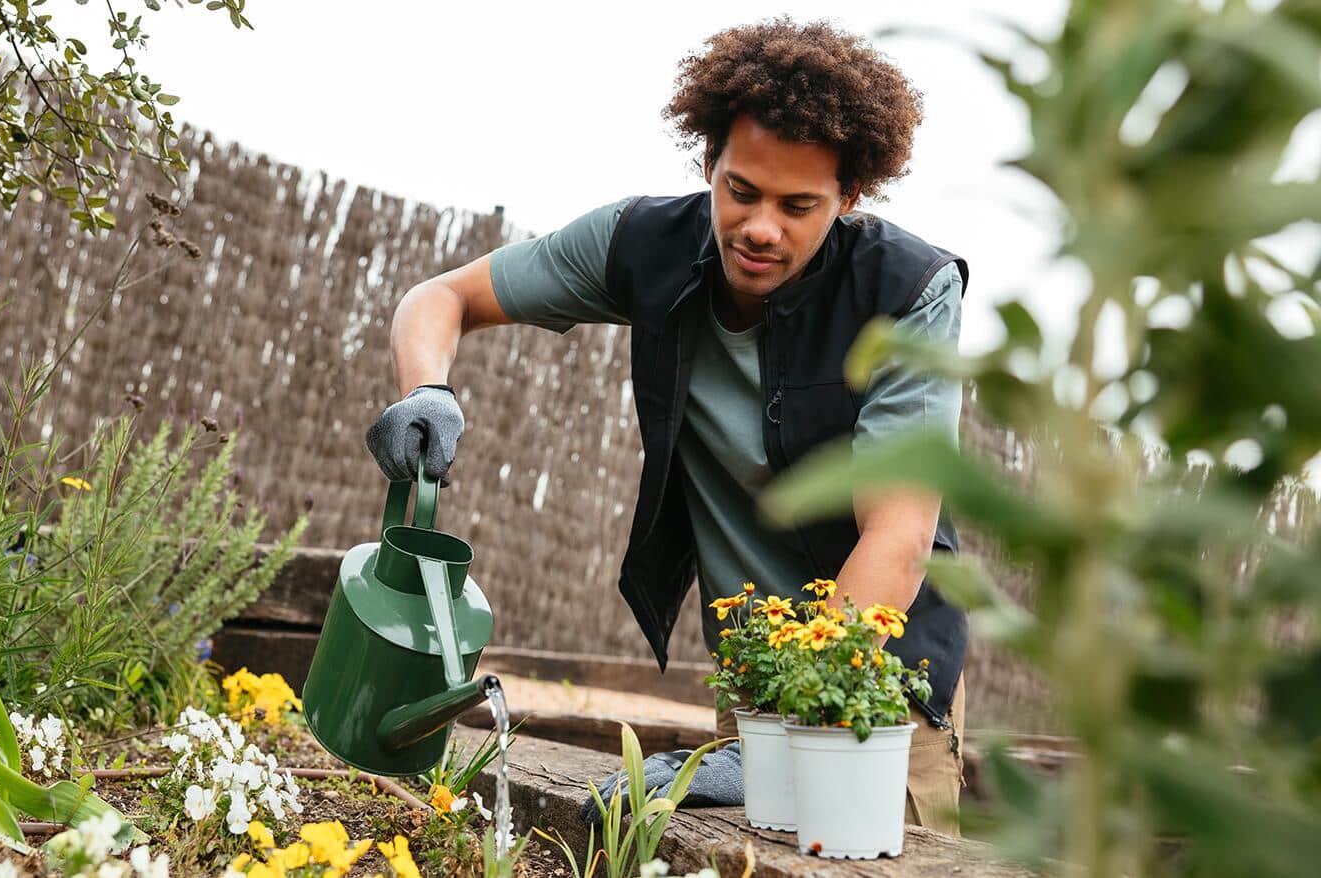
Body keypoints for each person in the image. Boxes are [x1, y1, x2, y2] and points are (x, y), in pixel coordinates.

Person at [365, 17, 969, 835]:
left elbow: (896, 542)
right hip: (755, 683)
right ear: (709, 163)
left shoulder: (906, 293)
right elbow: (440, 298)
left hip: (874, 689)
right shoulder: (643, 244)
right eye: (741, 190)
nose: (761, 227)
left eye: (799, 206)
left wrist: (788, 736)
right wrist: (425, 393)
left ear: (850, 198)